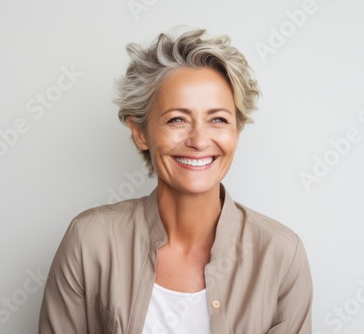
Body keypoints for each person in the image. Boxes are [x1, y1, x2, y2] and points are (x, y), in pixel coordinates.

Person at [38, 28, 312, 334]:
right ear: (140, 132)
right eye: (177, 119)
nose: (199, 140)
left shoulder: (281, 253)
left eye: (218, 119)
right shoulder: (89, 241)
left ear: (237, 130)